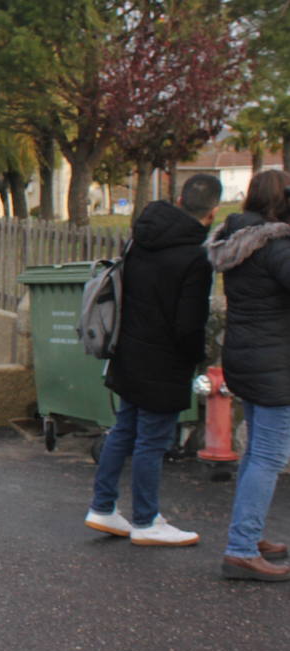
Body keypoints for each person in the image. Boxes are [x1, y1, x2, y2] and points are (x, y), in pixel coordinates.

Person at [84, 174, 221, 547]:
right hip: (164, 361)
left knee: (124, 429)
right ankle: (146, 520)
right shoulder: (195, 258)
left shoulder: (140, 239)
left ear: (179, 200)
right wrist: (195, 358)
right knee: (151, 441)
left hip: (129, 351)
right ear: (212, 212)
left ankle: (103, 506)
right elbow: (189, 324)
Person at [207, 168, 290, 581]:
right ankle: (241, 548)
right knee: (269, 456)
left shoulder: (238, 240)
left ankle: (249, 535)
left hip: (246, 358)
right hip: (274, 364)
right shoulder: (277, 247)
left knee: (257, 451)